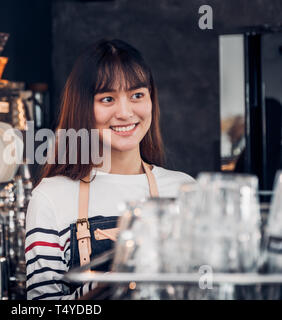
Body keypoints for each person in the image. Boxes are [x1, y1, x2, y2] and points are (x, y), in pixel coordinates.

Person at [25, 39, 195, 300]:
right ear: (83, 107)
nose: (125, 113)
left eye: (137, 95)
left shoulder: (186, 190)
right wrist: (104, 288)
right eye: (107, 99)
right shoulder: (50, 197)